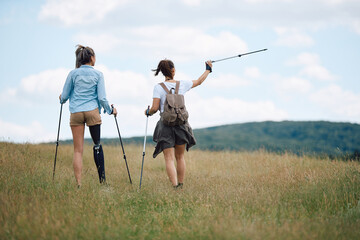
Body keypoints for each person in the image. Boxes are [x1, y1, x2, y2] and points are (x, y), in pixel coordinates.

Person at [145, 59, 213, 189]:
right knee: (180, 157)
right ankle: (181, 185)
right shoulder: (182, 84)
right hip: (181, 124)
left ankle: (175, 186)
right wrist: (208, 69)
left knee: (169, 159)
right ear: (173, 70)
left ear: (162, 72)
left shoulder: (158, 87)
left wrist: (147, 112)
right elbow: (198, 81)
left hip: (165, 125)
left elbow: (154, 108)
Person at [59, 45, 117, 187]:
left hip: (76, 113)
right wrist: (110, 110)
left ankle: (79, 184)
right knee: (97, 146)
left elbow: (64, 96)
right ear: (92, 58)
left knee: (78, 151)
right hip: (92, 112)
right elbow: (102, 98)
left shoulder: (73, 74)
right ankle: (103, 183)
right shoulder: (98, 75)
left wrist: (61, 98)